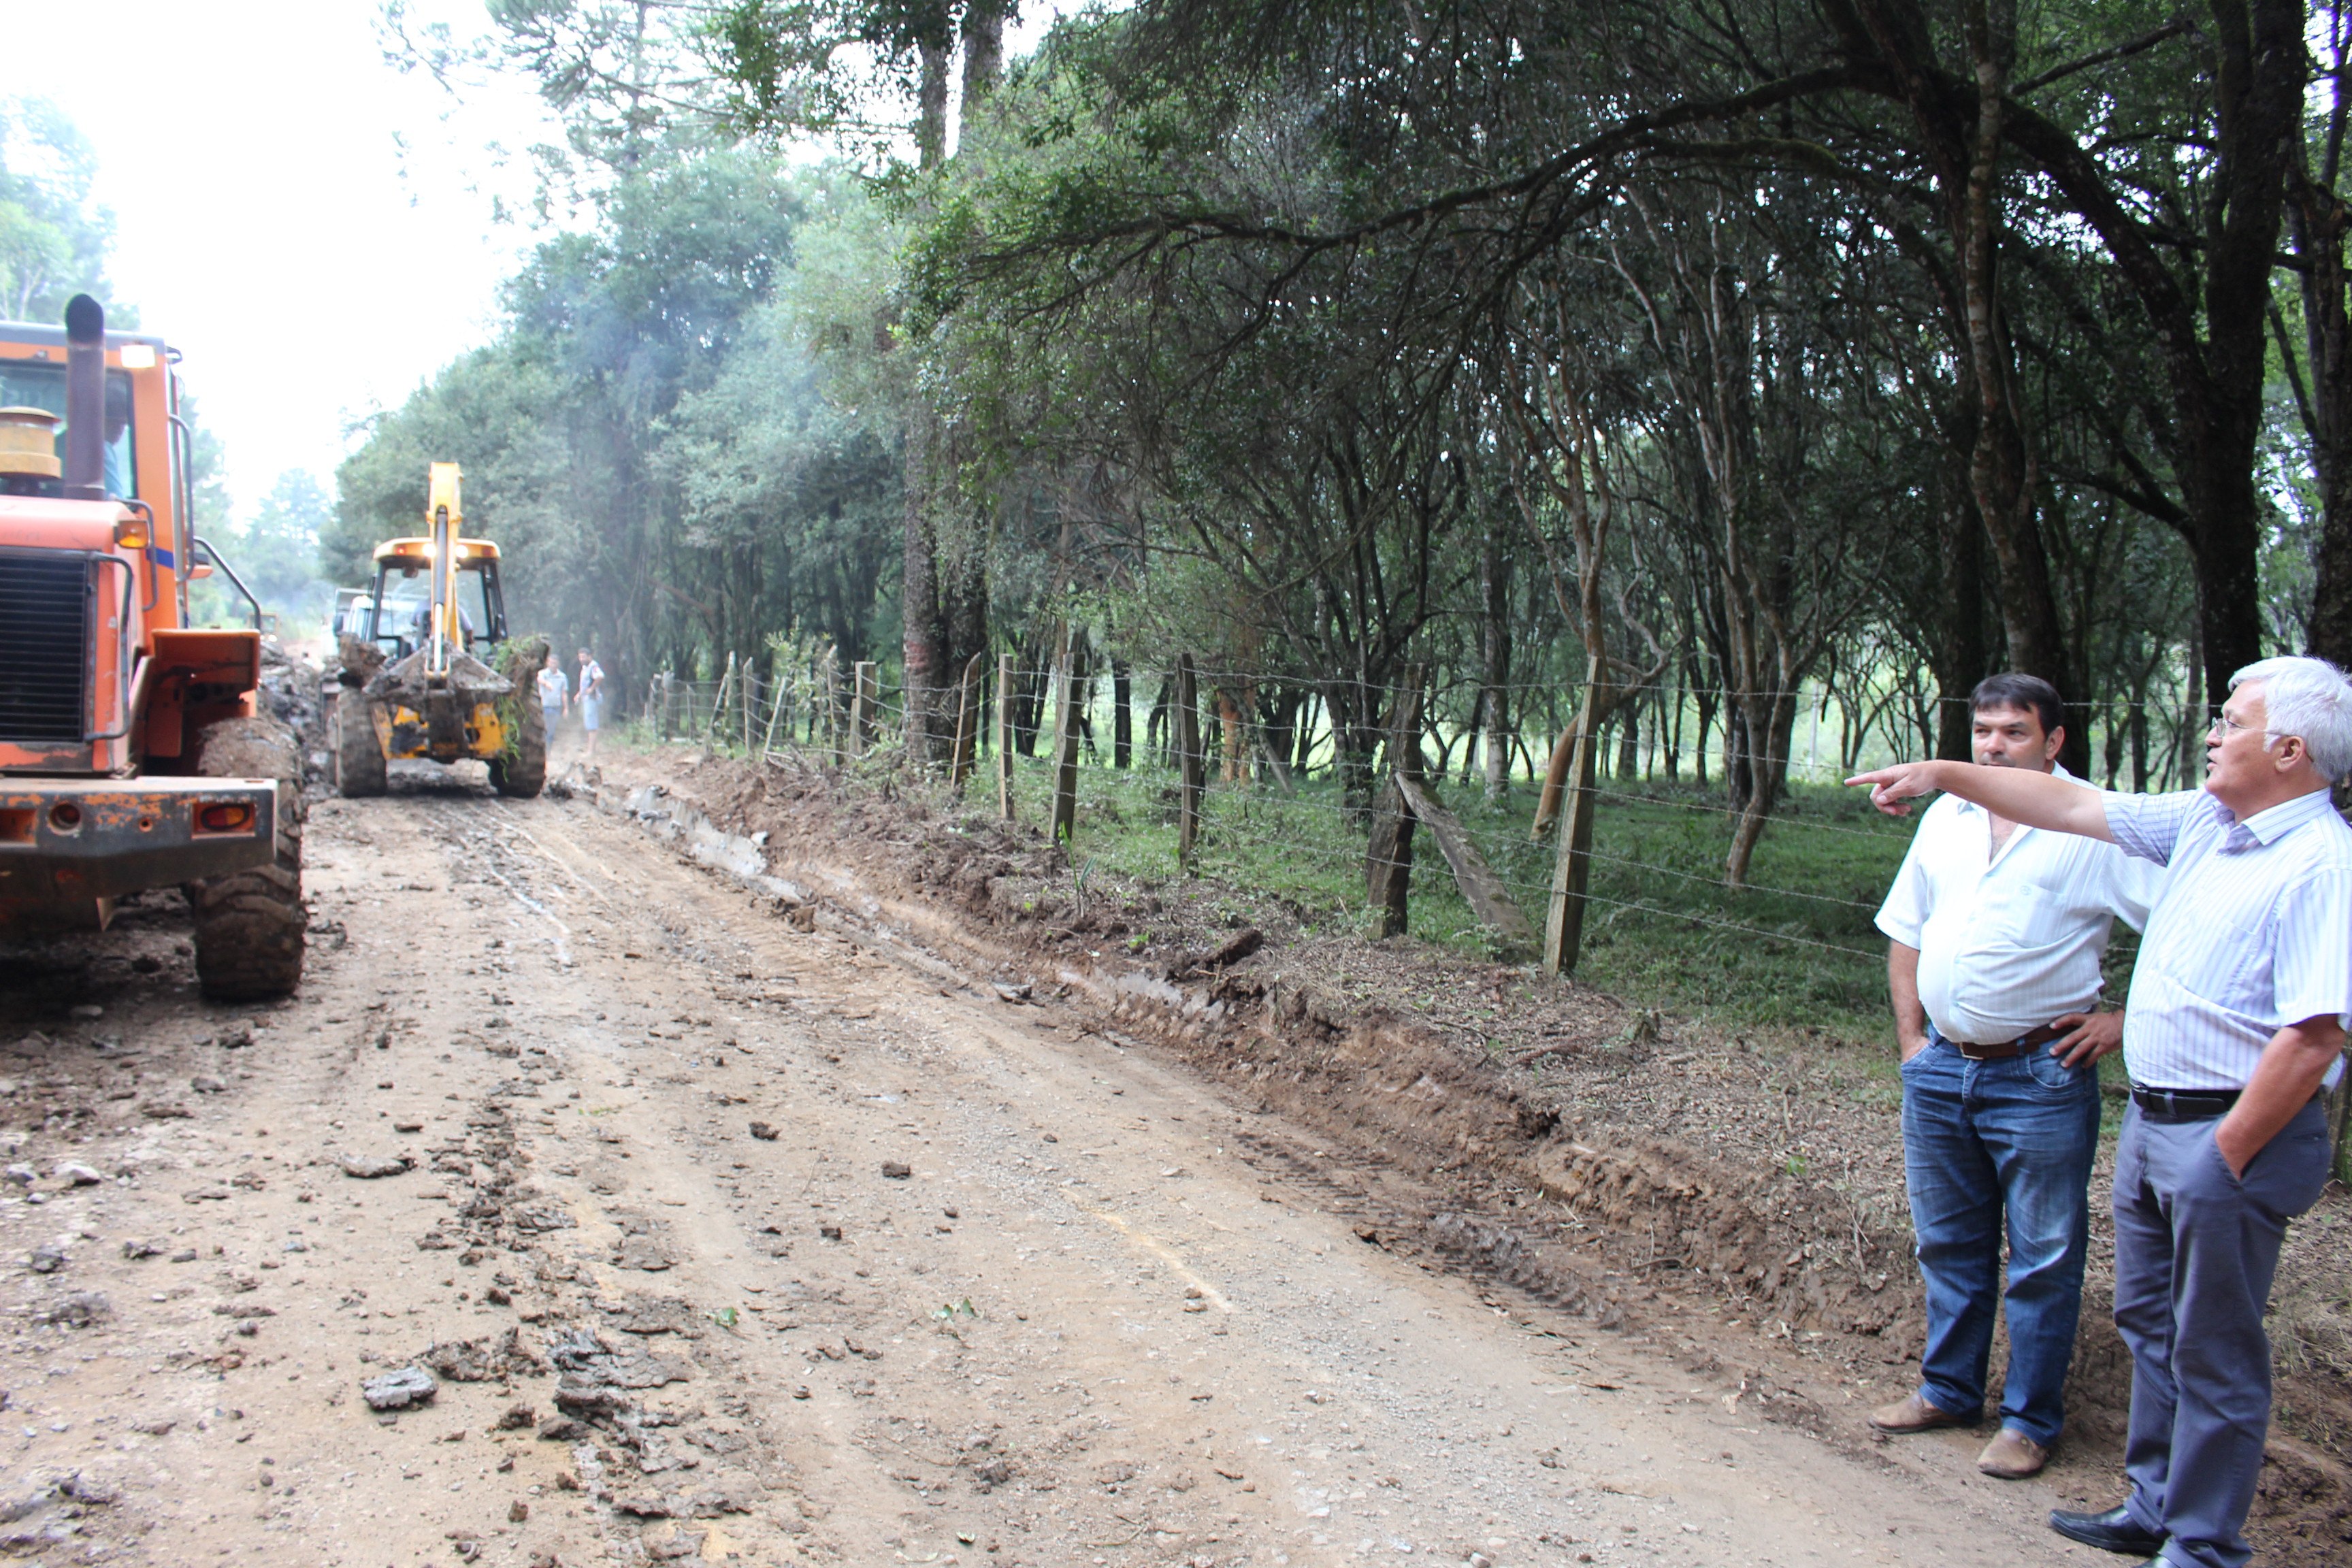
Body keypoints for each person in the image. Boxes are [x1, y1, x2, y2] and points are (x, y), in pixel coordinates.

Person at [1850, 657, 2352, 1568]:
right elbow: (2074, 809)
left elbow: (2315, 1039)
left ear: (2286, 748)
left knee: (2214, 1350)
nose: (2212, 732)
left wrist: (2223, 1153)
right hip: (2158, 1125)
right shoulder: (2208, 823)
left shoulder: (2321, 863)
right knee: (2153, 1328)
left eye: (2231, 721)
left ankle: (2201, 1547)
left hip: (2228, 1135)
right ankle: (2152, 1507)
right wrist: (1942, 775)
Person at [1869, 674, 2159, 1480]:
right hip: (1939, 1072)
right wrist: (1911, 1041)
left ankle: (2031, 1421)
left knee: (2044, 1254)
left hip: (2041, 1075)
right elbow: (1906, 930)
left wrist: (2121, 1020)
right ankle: (1948, 1389)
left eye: (2015, 734)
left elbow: (2186, 924)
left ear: (2055, 741)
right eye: (1985, 732)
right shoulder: (1947, 818)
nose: (1994, 747)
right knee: (1949, 1244)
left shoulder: (2095, 825)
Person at [577, 647, 606, 760]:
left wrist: (592, 689)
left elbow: (600, 677)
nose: (581, 659)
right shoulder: (585, 668)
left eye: (584, 657)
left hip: (592, 699)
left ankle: (591, 751)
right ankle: (590, 749)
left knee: (592, 725)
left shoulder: (593, 666)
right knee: (588, 724)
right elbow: (585, 684)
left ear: (590, 656)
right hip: (586, 698)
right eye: (580, 657)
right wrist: (579, 694)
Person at [536, 651, 568, 724]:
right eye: (551, 663)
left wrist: (566, 708)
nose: (553, 665)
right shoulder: (542, 673)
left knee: (553, 727)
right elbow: (539, 680)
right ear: (548, 663)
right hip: (544, 705)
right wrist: (546, 683)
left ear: (558, 664)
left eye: (555, 663)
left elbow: (564, 693)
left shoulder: (562, 677)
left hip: (556, 706)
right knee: (545, 725)